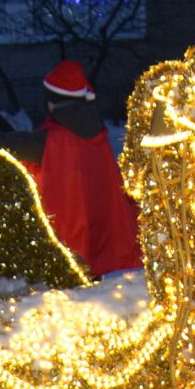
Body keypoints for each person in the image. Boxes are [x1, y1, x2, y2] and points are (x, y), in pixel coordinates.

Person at [35, 61, 142, 278]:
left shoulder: (54, 139)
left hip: (71, 246)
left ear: (53, 102)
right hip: (102, 237)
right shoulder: (95, 131)